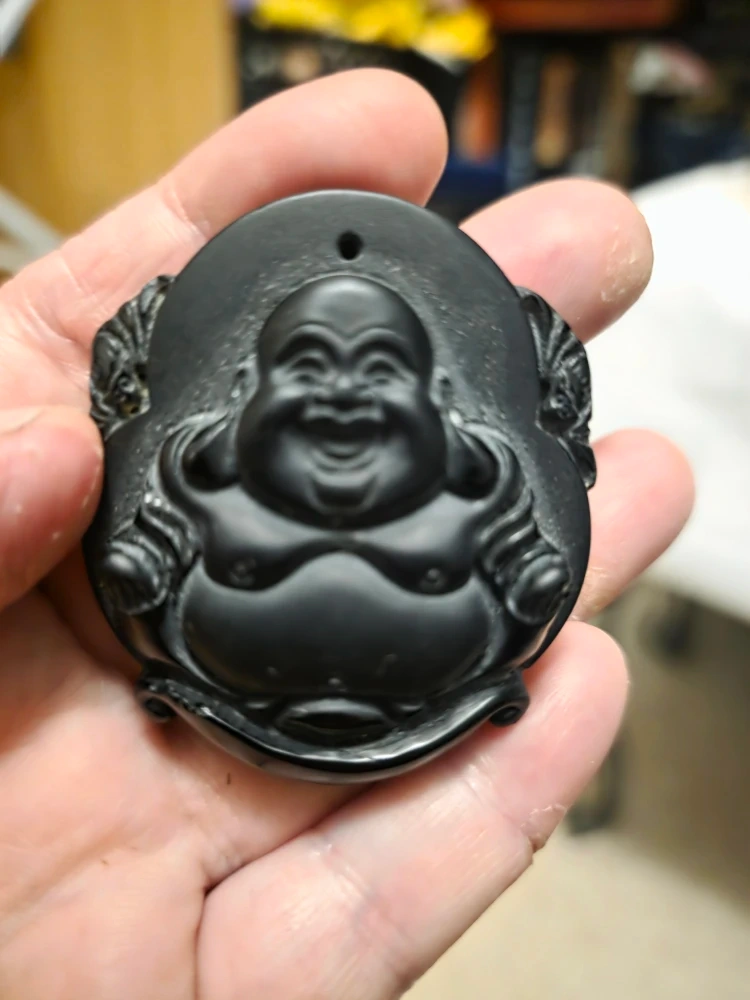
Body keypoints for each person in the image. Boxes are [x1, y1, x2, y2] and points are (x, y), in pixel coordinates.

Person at [0, 69, 693, 999]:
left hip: (447, 679)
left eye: (378, 370)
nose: (342, 394)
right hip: (215, 679)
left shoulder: (469, 500)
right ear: (245, 393)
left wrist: (523, 573)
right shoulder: (207, 493)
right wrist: (144, 562)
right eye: (307, 366)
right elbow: (147, 549)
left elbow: (521, 556)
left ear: (438, 397)